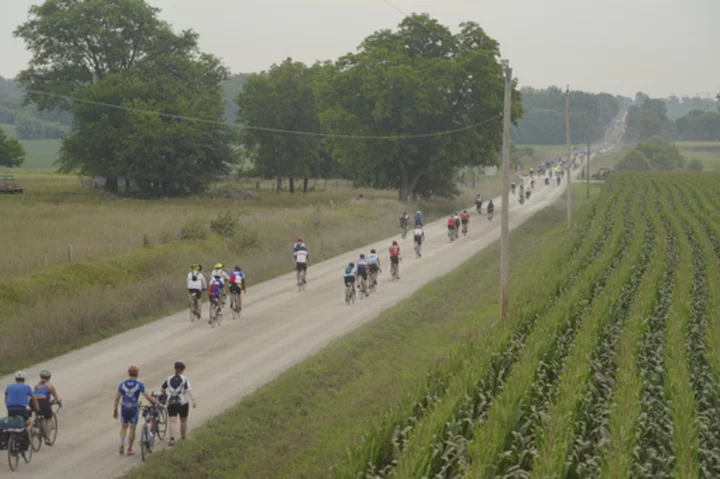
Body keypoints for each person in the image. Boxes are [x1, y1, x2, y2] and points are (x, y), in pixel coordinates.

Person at [114, 365, 162, 456]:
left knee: (124, 427)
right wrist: (157, 403)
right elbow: (147, 396)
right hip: (133, 409)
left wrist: (115, 410)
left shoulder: (122, 384)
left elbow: (117, 398)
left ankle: (121, 443)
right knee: (132, 428)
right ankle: (129, 449)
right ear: (137, 373)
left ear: (129, 373)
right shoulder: (139, 385)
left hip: (124, 408)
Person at [161, 362, 196, 447]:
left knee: (172, 421)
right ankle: (183, 437)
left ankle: (172, 439)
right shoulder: (184, 379)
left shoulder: (169, 378)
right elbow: (188, 390)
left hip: (172, 402)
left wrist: (166, 395)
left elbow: (162, 388)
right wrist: (193, 400)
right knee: (183, 420)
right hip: (183, 402)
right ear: (182, 370)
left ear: (175, 369)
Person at [33, 370, 62, 445]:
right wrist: (58, 402)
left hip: (34, 402)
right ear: (49, 378)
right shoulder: (50, 385)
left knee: (38, 411)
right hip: (44, 402)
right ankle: (48, 438)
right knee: (49, 419)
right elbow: (55, 396)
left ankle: (37, 420)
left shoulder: (36, 386)